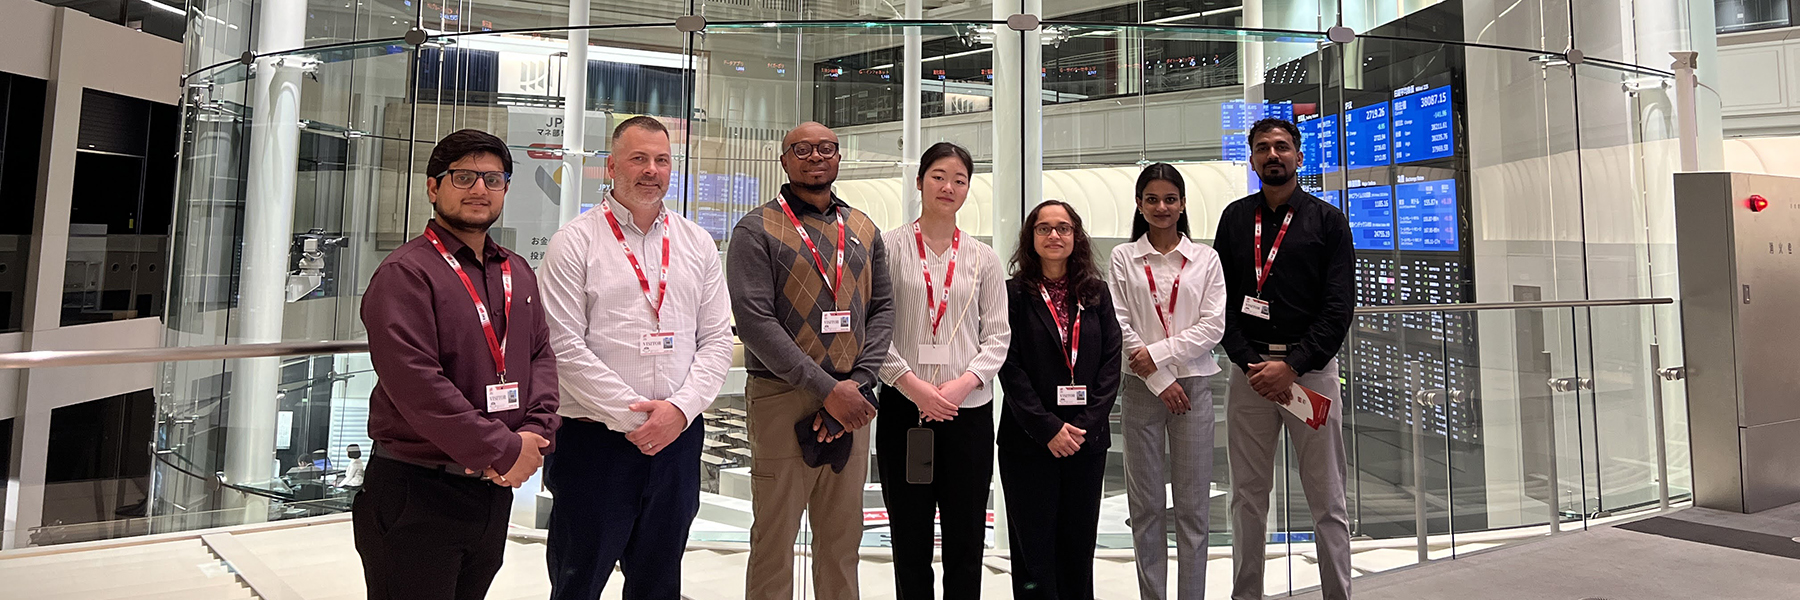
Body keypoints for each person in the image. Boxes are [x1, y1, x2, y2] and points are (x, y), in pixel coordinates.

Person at [356, 128, 561, 600]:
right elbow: (417, 386)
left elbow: (540, 357)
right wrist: (504, 449)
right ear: (433, 187)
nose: (479, 190)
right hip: (417, 490)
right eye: (463, 176)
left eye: (493, 179)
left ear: (506, 189)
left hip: (492, 492)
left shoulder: (517, 270)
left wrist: (534, 432)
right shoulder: (405, 274)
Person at [540, 116, 734, 600]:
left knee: (658, 582)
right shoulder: (575, 242)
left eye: (662, 160)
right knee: (578, 579)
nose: (652, 170)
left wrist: (679, 411)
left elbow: (715, 341)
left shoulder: (698, 243)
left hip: (678, 439)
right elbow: (563, 347)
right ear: (611, 166)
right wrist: (637, 418)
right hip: (594, 443)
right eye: (638, 158)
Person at [727, 121, 895, 600]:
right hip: (783, 395)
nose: (815, 156)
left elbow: (883, 309)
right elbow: (756, 324)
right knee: (775, 540)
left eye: (827, 148)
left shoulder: (863, 228)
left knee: (843, 542)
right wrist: (828, 390)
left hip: (854, 398)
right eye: (802, 149)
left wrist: (859, 384)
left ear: (839, 157)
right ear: (784, 160)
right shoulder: (755, 229)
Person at [1215, 118, 1354, 600]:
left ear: (1298, 155)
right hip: (1250, 376)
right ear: (1251, 159)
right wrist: (1251, 362)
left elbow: (1338, 308)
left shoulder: (1327, 221)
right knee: (1247, 499)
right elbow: (1222, 302)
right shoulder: (1235, 219)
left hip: (1310, 375)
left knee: (1327, 498)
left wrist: (1291, 365)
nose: (1272, 155)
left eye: (1281, 147)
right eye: (1262, 148)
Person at [876, 142, 1011, 600]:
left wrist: (960, 386)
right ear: (918, 182)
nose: (948, 187)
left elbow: (997, 337)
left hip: (966, 412)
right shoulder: (888, 248)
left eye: (959, 179)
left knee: (966, 535)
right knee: (908, 535)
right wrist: (913, 386)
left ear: (969, 189)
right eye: (938, 176)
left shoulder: (983, 257)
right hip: (905, 409)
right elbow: (876, 331)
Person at [1107, 163, 1227, 600]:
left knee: (1194, 508)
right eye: (1152, 199)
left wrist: (1157, 357)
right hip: (1141, 390)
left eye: (1170, 199)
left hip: (1193, 388)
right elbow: (1119, 324)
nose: (1161, 207)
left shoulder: (1205, 259)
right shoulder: (1123, 257)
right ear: (1139, 205)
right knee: (1147, 507)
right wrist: (1158, 379)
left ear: (1182, 205)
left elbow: (1213, 327)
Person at [997, 200, 1122, 600]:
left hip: (1085, 442)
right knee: (1033, 550)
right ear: (1030, 237)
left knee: (1077, 546)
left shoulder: (1095, 292)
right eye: (1044, 228)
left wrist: (1083, 426)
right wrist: (1049, 428)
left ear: (1076, 236)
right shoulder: (1013, 294)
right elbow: (1009, 366)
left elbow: (1110, 362)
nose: (1054, 235)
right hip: (1029, 441)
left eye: (1063, 228)